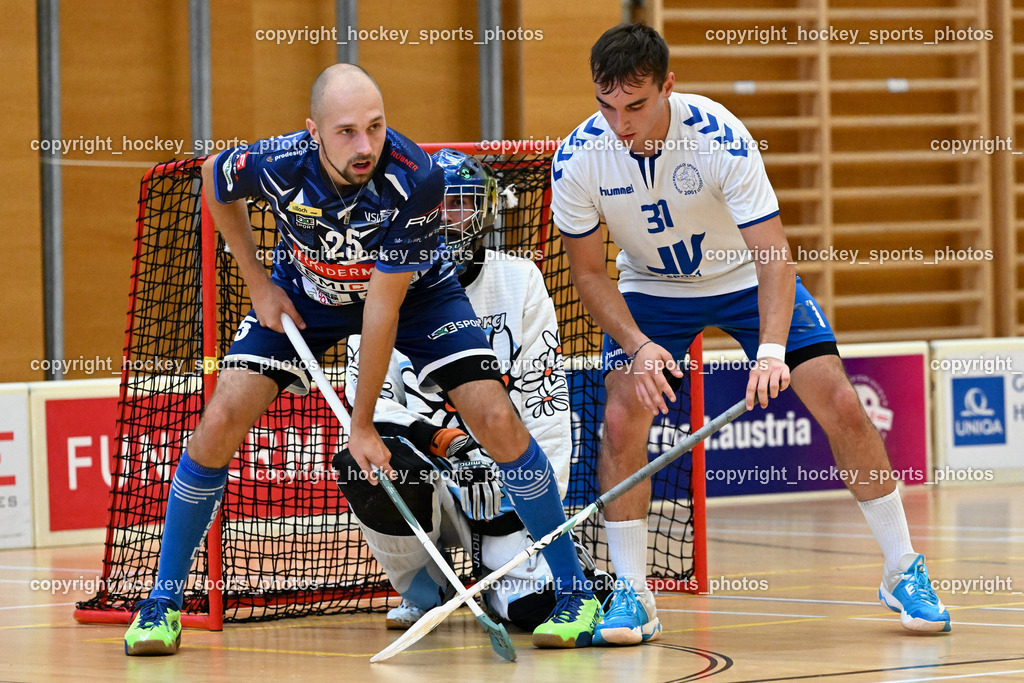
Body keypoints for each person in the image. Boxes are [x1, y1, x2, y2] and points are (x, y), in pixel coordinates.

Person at [124, 65, 599, 656]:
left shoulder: (414, 179)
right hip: (306, 295)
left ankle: (577, 592)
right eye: (346, 131)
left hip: (417, 296)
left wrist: (363, 423)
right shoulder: (277, 163)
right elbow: (214, 181)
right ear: (312, 132)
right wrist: (256, 284)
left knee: (498, 419)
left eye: (375, 127)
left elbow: (381, 312)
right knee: (219, 419)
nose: (366, 146)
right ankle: (161, 603)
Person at [550, 23, 951, 646]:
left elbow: (773, 255)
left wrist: (769, 352)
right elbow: (589, 273)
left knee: (843, 402)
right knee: (624, 420)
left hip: (743, 276)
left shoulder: (718, 137)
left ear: (667, 88)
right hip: (651, 291)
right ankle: (633, 593)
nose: (621, 123)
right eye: (607, 106)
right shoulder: (579, 158)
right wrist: (637, 345)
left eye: (636, 105)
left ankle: (903, 568)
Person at [335, 149, 610, 632]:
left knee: (533, 612)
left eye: (459, 203)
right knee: (360, 467)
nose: (444, 217)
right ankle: (425, 587)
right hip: (434, 484)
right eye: (434, 204)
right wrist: (446, 442)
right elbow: (368, 409)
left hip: (507, 494)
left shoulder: (520, 279)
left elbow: (548, 404)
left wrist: (529, 512)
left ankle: (523, 569)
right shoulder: (376, 286)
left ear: (484, 210)